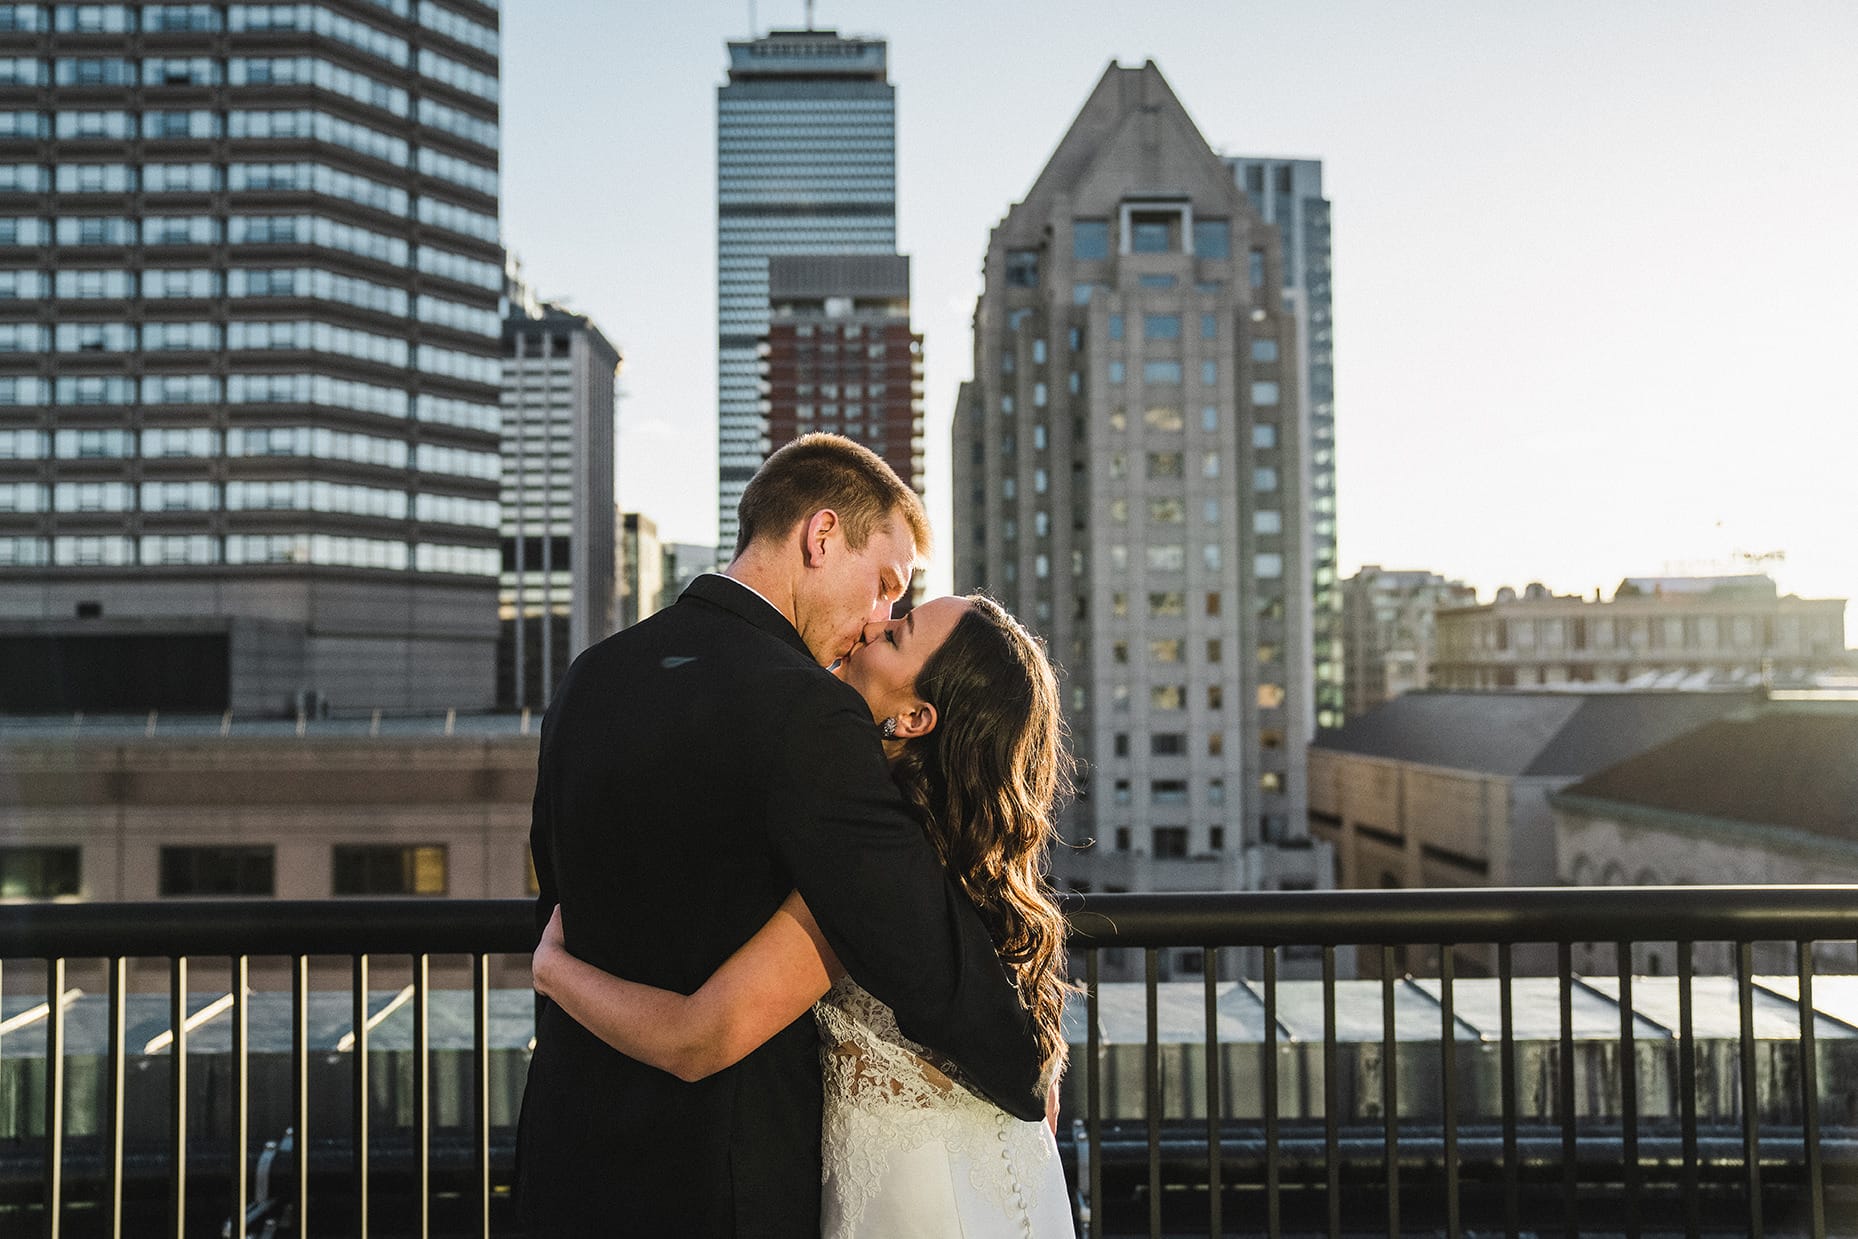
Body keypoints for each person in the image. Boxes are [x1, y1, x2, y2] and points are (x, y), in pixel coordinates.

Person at [516, 435, 1046, 1237]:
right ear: (821, 535)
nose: (877, 620)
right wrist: (1027, 1063)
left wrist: (551, 970)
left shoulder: (589, 676)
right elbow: (928, 962)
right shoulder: (809, 710)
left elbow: (563, 892)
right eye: (884, 586)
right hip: (717, 1189)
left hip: (564, 1165)